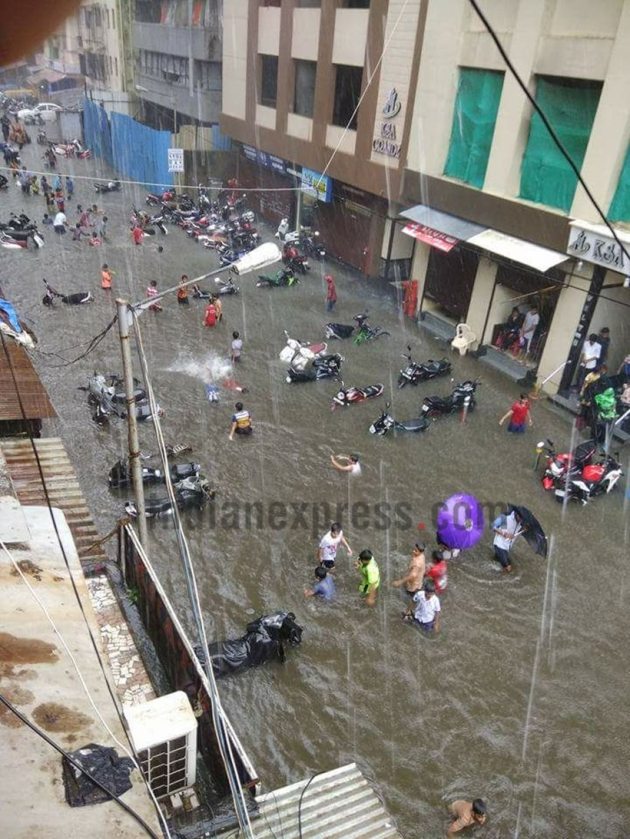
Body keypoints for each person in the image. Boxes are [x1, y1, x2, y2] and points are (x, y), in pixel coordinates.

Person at [492, 508, 519, 573]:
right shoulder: (505, 517)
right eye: (519, 517)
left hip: (507, 547)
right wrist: (504, 533)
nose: (520, 520)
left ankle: (495, 571)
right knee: (508, 568)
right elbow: (493, 526)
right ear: (516, 514)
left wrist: (526, 528)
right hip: (499, 545)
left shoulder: (521, 523)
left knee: (497, 560)